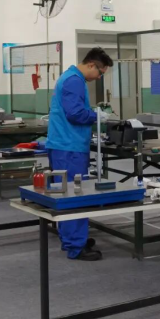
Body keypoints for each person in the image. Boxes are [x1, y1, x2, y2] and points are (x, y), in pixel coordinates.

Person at [46, 47, 113, 262]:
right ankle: (76, 246)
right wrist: (96, 116)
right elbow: (75, 114)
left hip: (65, 144)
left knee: (67, 193)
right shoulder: (74, 81)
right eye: (100, 72)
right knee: (75, 195)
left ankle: (71, 239)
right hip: (69, 146)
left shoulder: (70, 77)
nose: (99, 77)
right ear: (91, 65)